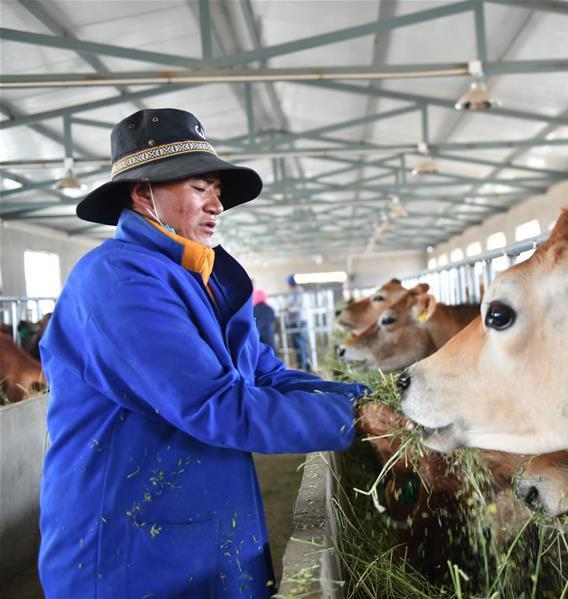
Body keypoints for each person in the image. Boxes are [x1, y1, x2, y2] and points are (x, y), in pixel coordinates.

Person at [38, 108, 367, 598]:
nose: (216, 205)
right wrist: (356, 422)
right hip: (130, 554)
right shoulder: (115, 279)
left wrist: (367, 400)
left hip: (201, 529)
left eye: (216, 190)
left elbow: (266, 376)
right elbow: (216, 404)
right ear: (142, 192)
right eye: (199, 188)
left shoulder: (201, 279)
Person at [284, 276, 311, 370]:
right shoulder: (297, 291)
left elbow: (296, 306)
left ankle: (302, 367)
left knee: (300, 344)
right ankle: (307, 366)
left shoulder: (297, 291)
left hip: (298, 321)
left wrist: (287, 309)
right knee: (301, 344)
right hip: (298, 321)